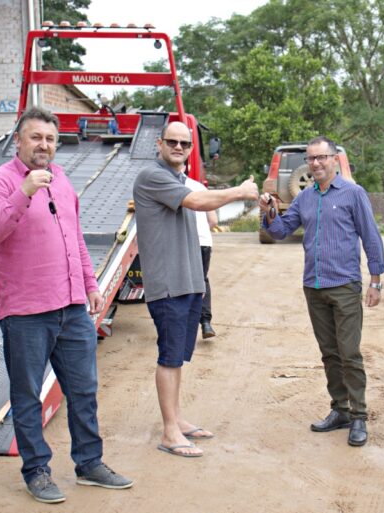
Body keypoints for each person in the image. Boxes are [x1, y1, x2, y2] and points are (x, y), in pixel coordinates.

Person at [0, 107, 132, 503]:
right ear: (19, 141)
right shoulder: (0, 182)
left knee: (84, 390)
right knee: (26, 395)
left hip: (72, 308)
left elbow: (74, 238)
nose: (43, 145)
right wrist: (24, 191)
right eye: (35, 138)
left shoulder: (62, 180)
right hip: (26, 313)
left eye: (49, 138)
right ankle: (37, 471)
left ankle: (90, 464)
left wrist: (89, 284)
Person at [132, 121, 259, 457]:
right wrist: (240, 192)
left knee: (178, 359)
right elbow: (201, 203)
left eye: (184, 144)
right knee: (169, 356)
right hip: (169, 286)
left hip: (187, 284)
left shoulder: (179, 180)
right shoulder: (153, 177)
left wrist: (199, 286)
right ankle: (170, 431)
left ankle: (177, 420)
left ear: (191, 149)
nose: (178, 147)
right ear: (159, 143)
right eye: (172, 142)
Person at [259, 135, 384, 447]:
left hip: (344, 285)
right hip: (313, 286)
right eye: (311, 158)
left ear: (334, 160)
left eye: (321, 158)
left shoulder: (353, 193)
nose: (315, 163)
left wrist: (375, 281)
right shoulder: (304, 197)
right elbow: (278, 231)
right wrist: (269, 211)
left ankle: (359, 416)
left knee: (350, 353)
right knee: (329, 353)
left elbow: (371, 237)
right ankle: (339, 410)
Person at [184, 175, 218, 339]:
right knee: (202, 280)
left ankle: (183, 325)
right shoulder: (200, 188)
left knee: (182, 281)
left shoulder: (170, 185)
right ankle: (205, 323)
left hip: (183, 242)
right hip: (204, 242)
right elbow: (213, 220)